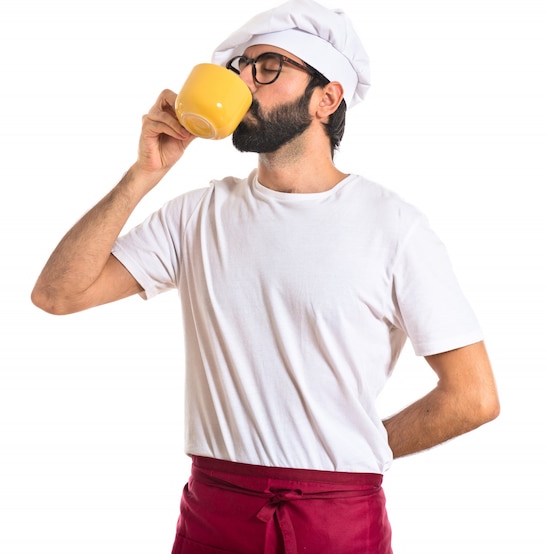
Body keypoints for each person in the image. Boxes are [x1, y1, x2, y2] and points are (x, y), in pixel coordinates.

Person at [31, 0, 500, 551]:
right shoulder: (197, 215)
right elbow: (58, 294)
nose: (245, 83)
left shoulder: (394, 227)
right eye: (240, 69)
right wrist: (143, 175)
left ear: (327, 98)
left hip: (337, 516)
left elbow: (473, 397)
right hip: (214, 509)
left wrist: (349, 447)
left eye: (268, 67)